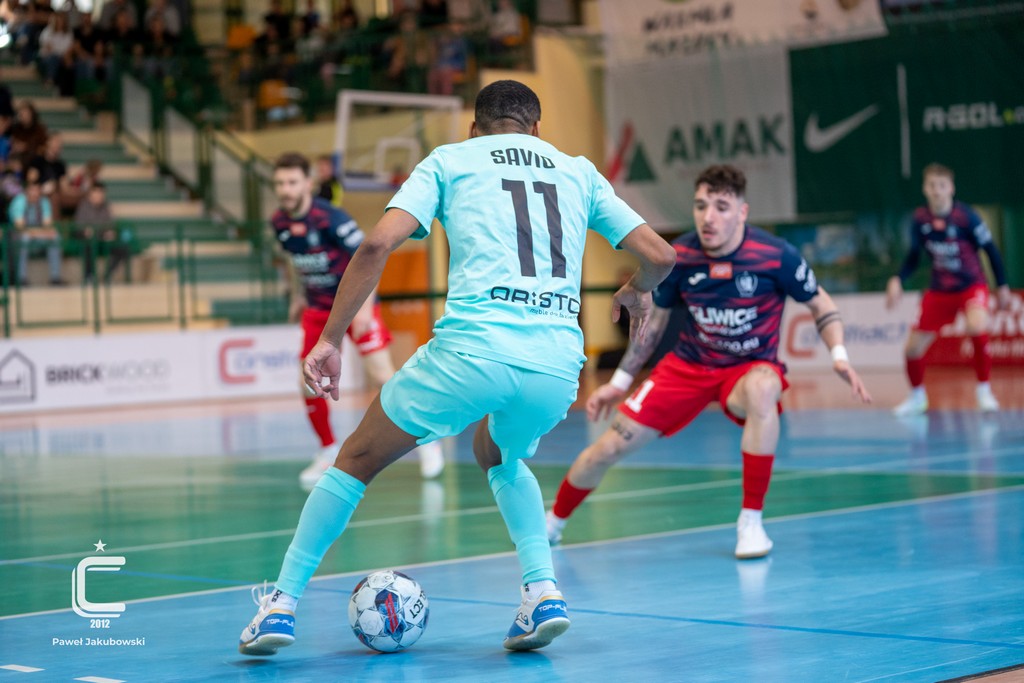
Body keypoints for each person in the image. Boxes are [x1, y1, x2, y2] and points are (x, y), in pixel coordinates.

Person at [238, 79, 676, 656]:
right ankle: (542, 592)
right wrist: (637, 288)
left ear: (474, 129)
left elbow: (375, 246)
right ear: (537, 129)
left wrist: (330, 338)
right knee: (499, 453)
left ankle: (281, 604)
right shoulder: (578, 171)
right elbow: (661, 255)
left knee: (356, 459)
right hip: (556, 368)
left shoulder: (450, 160)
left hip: (470, 355)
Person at [545, 165, 872, 559]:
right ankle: (553, 523)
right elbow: (653, 325)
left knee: (765, 388)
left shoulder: (775, 255)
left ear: (742, 212)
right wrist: (619, 382)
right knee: (607, 448)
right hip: (687, 367)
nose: (708, 217)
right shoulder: (679, 257)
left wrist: (839, 355)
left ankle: (751, 522)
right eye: (701, 206)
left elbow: (820, 304)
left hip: (748, 370)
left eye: (721, 207)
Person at [268, 152, 445, 487]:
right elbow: (294, 260)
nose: (285, 189)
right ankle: (327, 451)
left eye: (291, 182)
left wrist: (364, 307)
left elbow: (369, 258)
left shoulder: (332, 219)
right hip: (318, 311)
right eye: (279, 183)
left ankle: (426, 440)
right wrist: (298, 295)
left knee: (382, 376)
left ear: (308, 183)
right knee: (307, 382)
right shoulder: (278, 222)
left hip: (353, 305)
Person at [886, 163, 1011, 415]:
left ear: (951, 189)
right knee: (911, 349)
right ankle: (917, 397)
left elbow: (991, 250)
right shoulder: (920, 220)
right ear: (925, 189)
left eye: (942, 185)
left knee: (976, 325)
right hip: (939, 290)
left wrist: (1003, 285)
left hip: (971, 286)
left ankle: (984, 391)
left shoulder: (967, 217)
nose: (937, 191)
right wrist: (898, 279)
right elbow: (914, 257)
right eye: (932, 185)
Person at [9, 180, 65, 286]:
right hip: (17, 237)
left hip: (37, 236)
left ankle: (55, 277)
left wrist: (38, 232)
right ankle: (21, 279)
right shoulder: (19, 201)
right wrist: (37, 232)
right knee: (24, 238)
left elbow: (48, 225)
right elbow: (19, 227)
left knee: (55, 237)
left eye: (37, 190)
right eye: (32, 190)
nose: (35, 193)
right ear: (27, 191)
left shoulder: (44, 201)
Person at [73, 181, 129, 283]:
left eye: (101, 193)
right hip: (88, 241)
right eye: (96, 192)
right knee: (88, 246)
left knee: (122, 248)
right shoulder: (83, 206)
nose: (99, 195)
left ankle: (107, 276)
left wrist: (110, 232)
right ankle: (89, 276)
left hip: (102, 239)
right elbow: (79, 227)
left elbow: (111, 225)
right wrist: (86, 231)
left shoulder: (106, 207)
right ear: (91, 193)